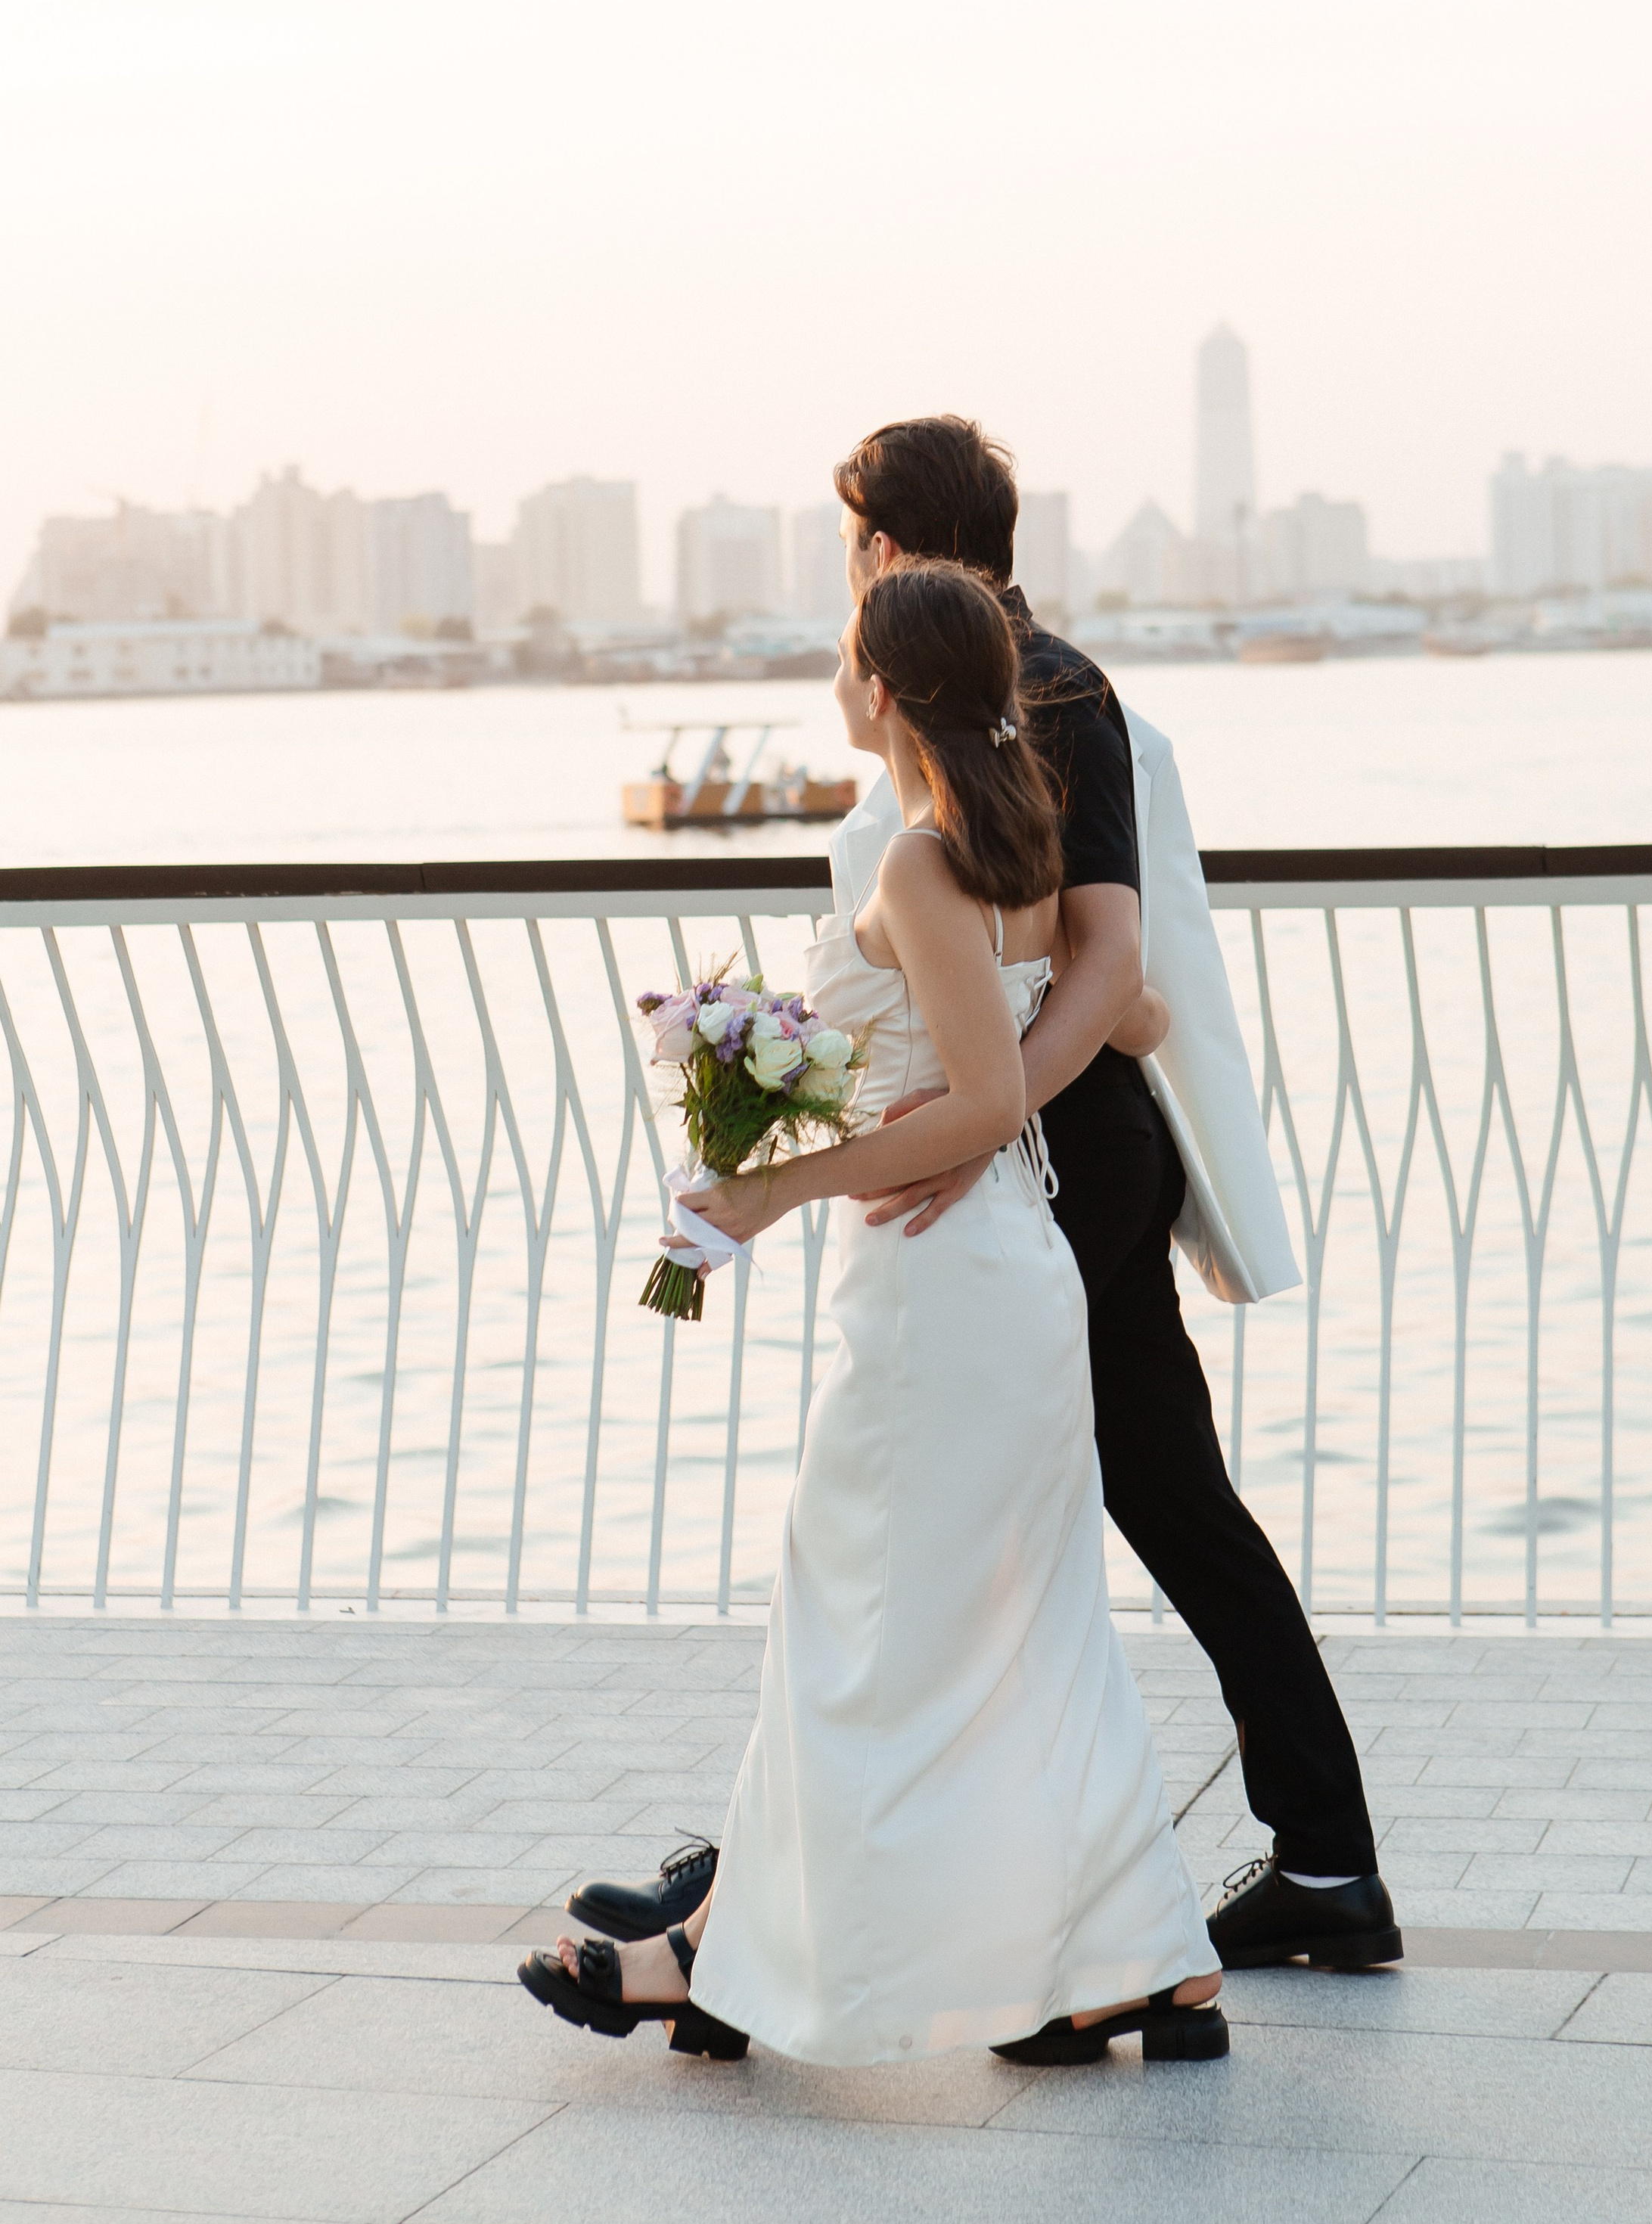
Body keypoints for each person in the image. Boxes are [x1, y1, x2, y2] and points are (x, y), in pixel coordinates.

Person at [566, 417, 1398, 1974]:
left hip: (1058, 1164)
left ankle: (778, 1887)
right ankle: (1292, 1862)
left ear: (886, 545)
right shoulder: (981, 679)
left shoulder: (1050, 689)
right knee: (1045, 1509)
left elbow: (1102, 957)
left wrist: (986, 1118)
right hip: (1023, 1146)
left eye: (847, 542)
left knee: (948, 1517)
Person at [519, 557, 1227, 2065]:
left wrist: (780, 1186)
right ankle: (1148, 1956)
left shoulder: (918, 857)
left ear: (886, 688)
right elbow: (1134, 1008)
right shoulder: (1009, 840)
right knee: (1031, 1629)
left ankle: (736, 1972)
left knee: (847, 1626)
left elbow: (974, 1094)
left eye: (845, 657)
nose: (832, 681)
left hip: (943, 1289)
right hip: (1001, 1272)